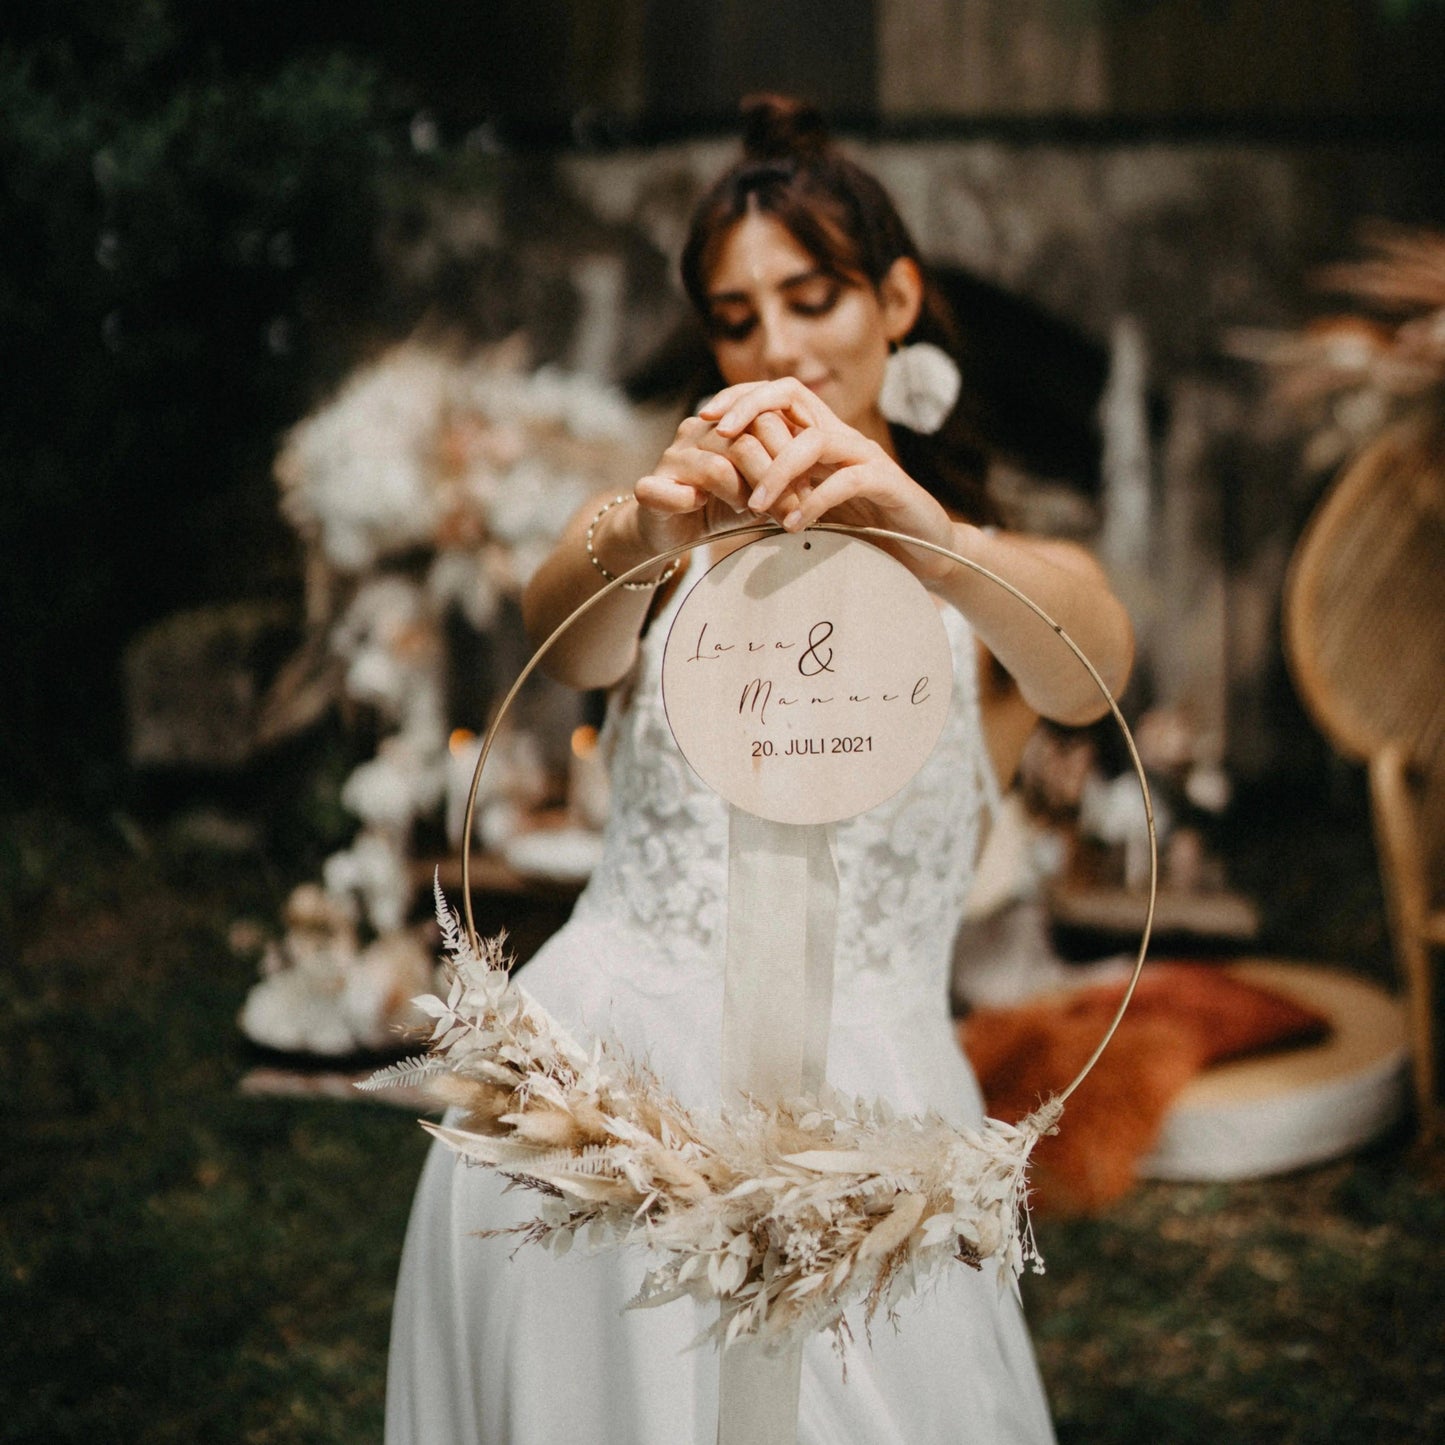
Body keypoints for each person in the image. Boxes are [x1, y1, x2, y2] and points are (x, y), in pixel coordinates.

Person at [385, 95, 1133, 1445]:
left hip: (865, 1130)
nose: (778, 346)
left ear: (895, 297)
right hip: (603, 1083)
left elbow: (1095, 667)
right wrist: (651, 528)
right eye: (736, 318)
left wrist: (916, 526)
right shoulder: (680, 532)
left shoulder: (969, 566)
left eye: (813, 297)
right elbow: (567, 636)